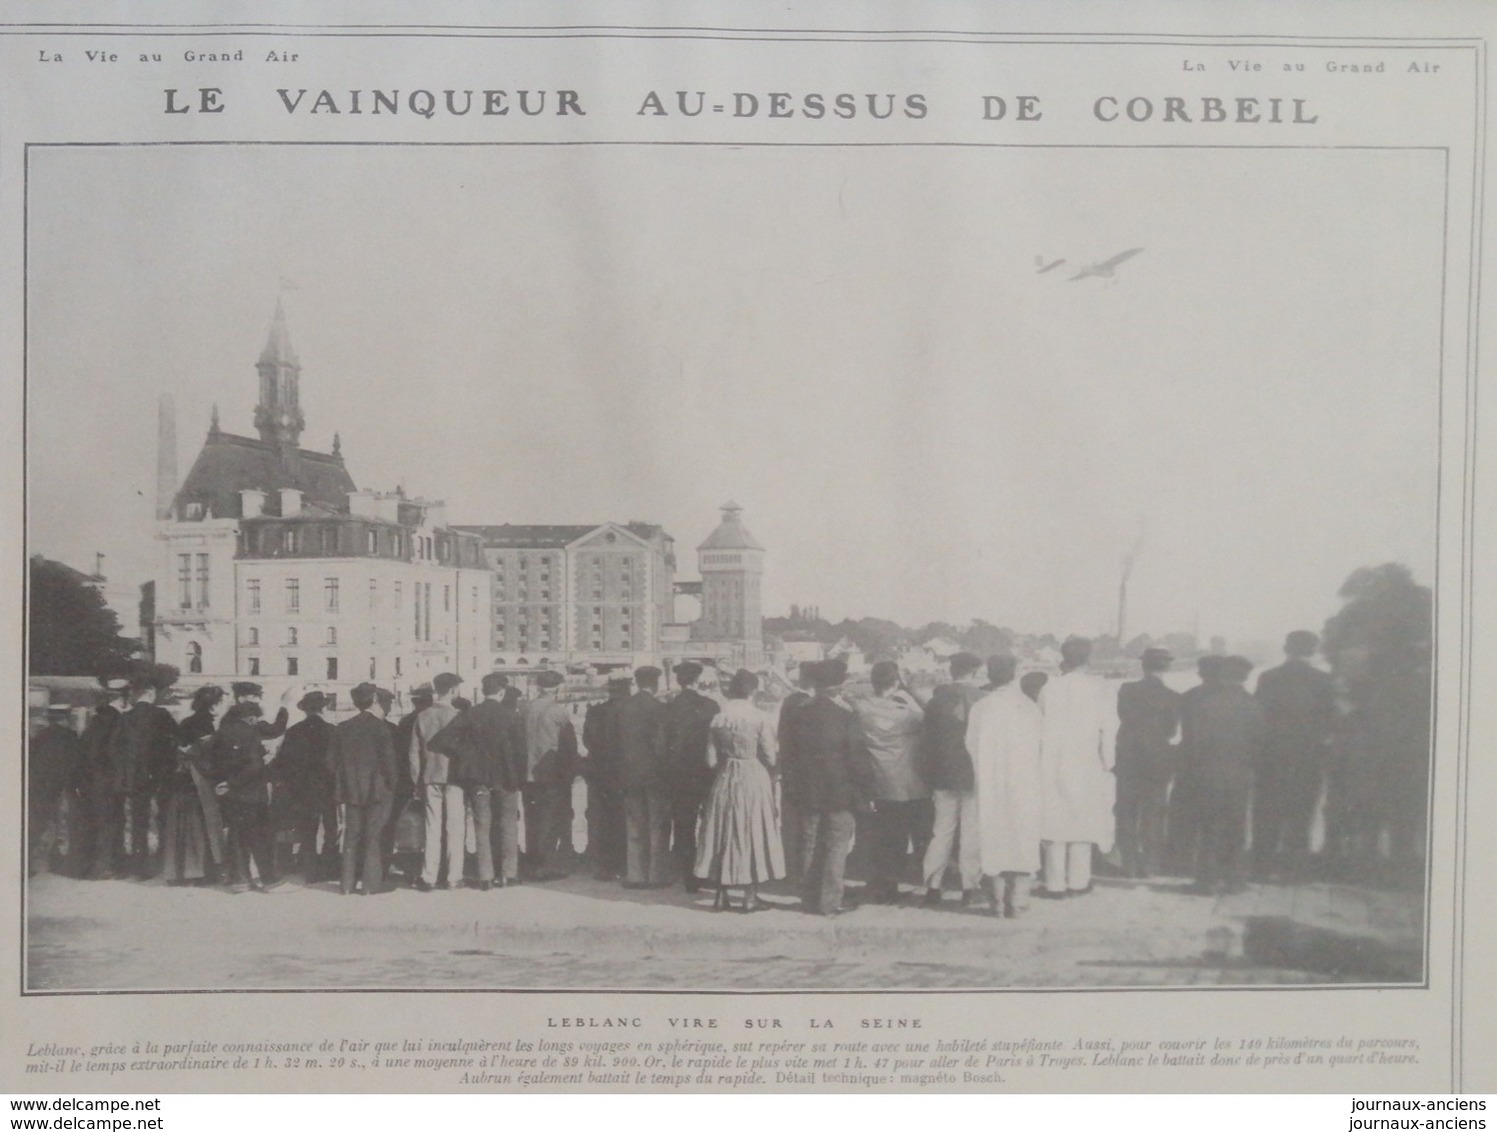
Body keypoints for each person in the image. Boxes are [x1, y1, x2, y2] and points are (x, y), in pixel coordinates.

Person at [694, 669, 784, 911]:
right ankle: (749, 897)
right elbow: (770, 756)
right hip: (752, 775)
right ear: (753, 691)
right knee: (752, 829)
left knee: (724, 830)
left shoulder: (719, 719)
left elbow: (711, 760)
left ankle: (721, 895)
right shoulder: (759, 717)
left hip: (725, 776)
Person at [792, 660, 873, 916]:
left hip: (807, 790)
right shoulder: (846, 714)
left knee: (809, 843)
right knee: (837, 846)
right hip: (840, 791)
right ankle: (829, 903)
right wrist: (866, 790)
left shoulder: (799, 713)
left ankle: (808, 900)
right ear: (838, 686)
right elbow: (858, 758)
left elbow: (788, 754)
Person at [1253, 630, 1336, 880]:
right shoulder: (1324, 680)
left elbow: (1258, 718)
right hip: (1308, 757)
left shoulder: (1268, 678)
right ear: (1313, 651)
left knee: (1267, 810)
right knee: (1302, 812)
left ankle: (1262, 867)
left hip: (1273, 756)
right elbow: (1331, 721)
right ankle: (1295, 871)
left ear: (1286, 649)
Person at [1178, 656, 1264, 895]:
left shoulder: (1206, 703)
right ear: (1245, 677)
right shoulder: (1253, 703)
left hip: (1208, 772)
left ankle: (1206, 881)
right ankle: (1234, 880)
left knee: (1209, 827)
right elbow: (1259, 743)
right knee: (1236, 826)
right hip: (1239, 774)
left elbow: (1194, 741)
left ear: (1223, 675)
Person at [965, 655, 1044, 918]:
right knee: (1021, 835)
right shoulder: (1027, 707)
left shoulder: (981, 707)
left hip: (991, 783)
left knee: (993, 837)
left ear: (989, 674)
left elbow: (971, 746)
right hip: (1023, 783)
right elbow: (1039, 746)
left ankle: (997, 903)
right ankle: (1018, 901)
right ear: (1014, 674)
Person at [432, 672, 526, 890]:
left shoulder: (471, 714)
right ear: (502, 692)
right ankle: (509, 874)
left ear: (483, 692)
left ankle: (485, 877)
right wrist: (518, 775)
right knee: (508, 824)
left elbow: (442, 740)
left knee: (482, 826)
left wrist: (467, 753)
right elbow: (521, 750)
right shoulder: (511, 715)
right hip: (506, 778)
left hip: (478, 778)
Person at [1037, 636, 1113, 898]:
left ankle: (1054, 883)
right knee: (1082, 819)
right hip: (1085, 760)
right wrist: (1107, 761)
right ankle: (1079, 881)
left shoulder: (1049, 688)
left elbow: (1040, 725)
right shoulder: (1099, 688)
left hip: (1053, 759)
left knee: (1055, 821)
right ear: (1088, 658)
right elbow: (1109, 729)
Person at [851, 660, 927, 904]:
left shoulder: (862, 710)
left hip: (880, 783)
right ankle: (917, 882)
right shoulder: (907, 714)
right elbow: (930, 715)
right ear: (896, 682)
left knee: (885, 839)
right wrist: (909, 692)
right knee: (912, 837)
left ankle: (885, 886)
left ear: (873, 683)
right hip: (910, 784)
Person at [918, 652, 987, 907]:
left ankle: (932, 887)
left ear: (951, 670)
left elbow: (926, 742)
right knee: (971, 832)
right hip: (974, 774)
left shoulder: (937, 701)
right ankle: (970, 887)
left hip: (943, 774)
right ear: (976, 672)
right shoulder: (983, 700)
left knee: (941, 831)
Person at [1114, 647, 1182, 879]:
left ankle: (1129, 864)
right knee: (1154, 813)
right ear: (1167, 667)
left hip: (1129, 759)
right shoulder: (1174, 697)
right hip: (1158, 761)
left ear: (1143, 666)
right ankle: (1151, 864)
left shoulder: (1126, 690)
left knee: (1127, 813)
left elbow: (1123, 718)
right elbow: (1172, 730)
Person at [329, 682, 400, 895]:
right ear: (375, 700)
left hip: (350, 791)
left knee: (351, 836)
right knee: (373, 836)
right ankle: (370, 885)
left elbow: (330, 763)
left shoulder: (342, 728)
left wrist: (344, 779)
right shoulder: (381, 728)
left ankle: (346, 884)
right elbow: (389, 763)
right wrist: (392, 784)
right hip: (377, 791)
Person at [108, 670, 180, 879]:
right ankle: (164, 863)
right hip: (161, 776)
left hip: (136, 777)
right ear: (150, 692)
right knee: (163, 819)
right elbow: (175, 744)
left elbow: (115, 748)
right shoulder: (163, 716)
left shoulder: (126, 718)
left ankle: (140, 868)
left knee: (139, 821)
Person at [210, 700, 283, 892]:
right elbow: (253, 767)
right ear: (251, 718)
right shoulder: (250, 734)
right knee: (260, 836)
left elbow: (206, 759)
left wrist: (222, 782)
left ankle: (239, 880)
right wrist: (265, 759)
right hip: (251, 793)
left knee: (236, 835)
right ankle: (270, 880)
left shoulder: (221, 733)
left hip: (229, 794)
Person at [663, 661, 721, 893]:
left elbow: (662, 743)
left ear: (679, 681)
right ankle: (707, 871)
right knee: (709, 823)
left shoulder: (668, 707)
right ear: (697, 681)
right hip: (706, 773)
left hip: (679, 775)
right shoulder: (710, 705)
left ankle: (688, 876)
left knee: (683, 825)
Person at [161, 685, 228, 885]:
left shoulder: (187, 721)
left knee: (181, 826)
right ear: (214, 705)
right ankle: (199, 872)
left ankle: (178, 872)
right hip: (199, 780)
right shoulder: (206, 725)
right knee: (200, 824)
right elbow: (206, 755)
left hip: (181, 780)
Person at [1164, 656, 1223, 875]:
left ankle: (1179, 862)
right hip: (1218, 762)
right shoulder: (1231, 698)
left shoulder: (1188, 697)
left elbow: (1174, 731)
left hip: (1189, 761)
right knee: (1215, 815)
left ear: (1201, 673)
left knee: (1184, 815)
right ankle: (1211, 863)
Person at [519, 670, 579, 881]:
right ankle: (546, 865)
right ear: (558, 688)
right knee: (549, 820)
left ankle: (531, 862)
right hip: (550, 775)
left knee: (531, 818)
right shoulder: (558, 712)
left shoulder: (524, 708)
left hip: (527, 775)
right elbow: (569, 746)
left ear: (538, 687)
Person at [274, 690, 339, 881]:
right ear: (323, 708)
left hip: (302, 789)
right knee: (330, 828)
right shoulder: (332, 731)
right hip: (327, 787)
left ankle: (310, 870)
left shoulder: (294, 731)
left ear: (305, 710)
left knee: (307, 830)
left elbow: (283, 762)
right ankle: (329, 866)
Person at [409, 672, 465, 890]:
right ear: (453, 690)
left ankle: (429, 875)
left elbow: (413, 754)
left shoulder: (422, 716)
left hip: (430, 777)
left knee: (432, 827)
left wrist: (417, 781)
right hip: (454, 778)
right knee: (455, 827)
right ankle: (454, 876)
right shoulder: (459, 716)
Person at [619, 665, 671, 888]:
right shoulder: (659, 708)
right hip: (654, 775)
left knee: (634, 825)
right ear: (655, 683)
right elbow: (660, 744)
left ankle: (635, 875)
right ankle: (655, 875)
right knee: (656, 826)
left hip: (629, 774)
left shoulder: (624, 707)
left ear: (638, 683)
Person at [581, 678, 631, 880]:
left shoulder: (595, 711)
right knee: (623, 819)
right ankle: (624, 864)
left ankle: (603, 866)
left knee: (601, 820)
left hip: (600, 772)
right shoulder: (629, 711)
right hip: (624, 772)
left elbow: (587, 740)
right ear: (627, 690)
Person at [81, 677, 131, 878]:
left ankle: (97, 865)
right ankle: (107, 866)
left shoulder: (96, 719)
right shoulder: (116, 719)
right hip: (109, 779)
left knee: (98, 820)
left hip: (92, 778)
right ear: (123, 698)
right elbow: (115, 752)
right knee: (112, 821)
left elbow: (86, 749)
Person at [28, 705, 81, 877]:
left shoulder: (40, 736)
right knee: (63, 825)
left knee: (38, 824)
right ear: (65, 718)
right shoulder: (70, 736)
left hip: (41, 787)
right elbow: (75, 764)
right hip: (64, 788)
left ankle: (27, 862)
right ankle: (58, 861)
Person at [775, 666, 816, 884]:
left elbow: (782, 735)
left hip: (789, 769)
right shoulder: (809, 705)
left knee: (790, 824)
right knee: (809, 827)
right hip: (808, 772)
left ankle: (789, 870)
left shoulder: (788, 702)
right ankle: (805, 875)